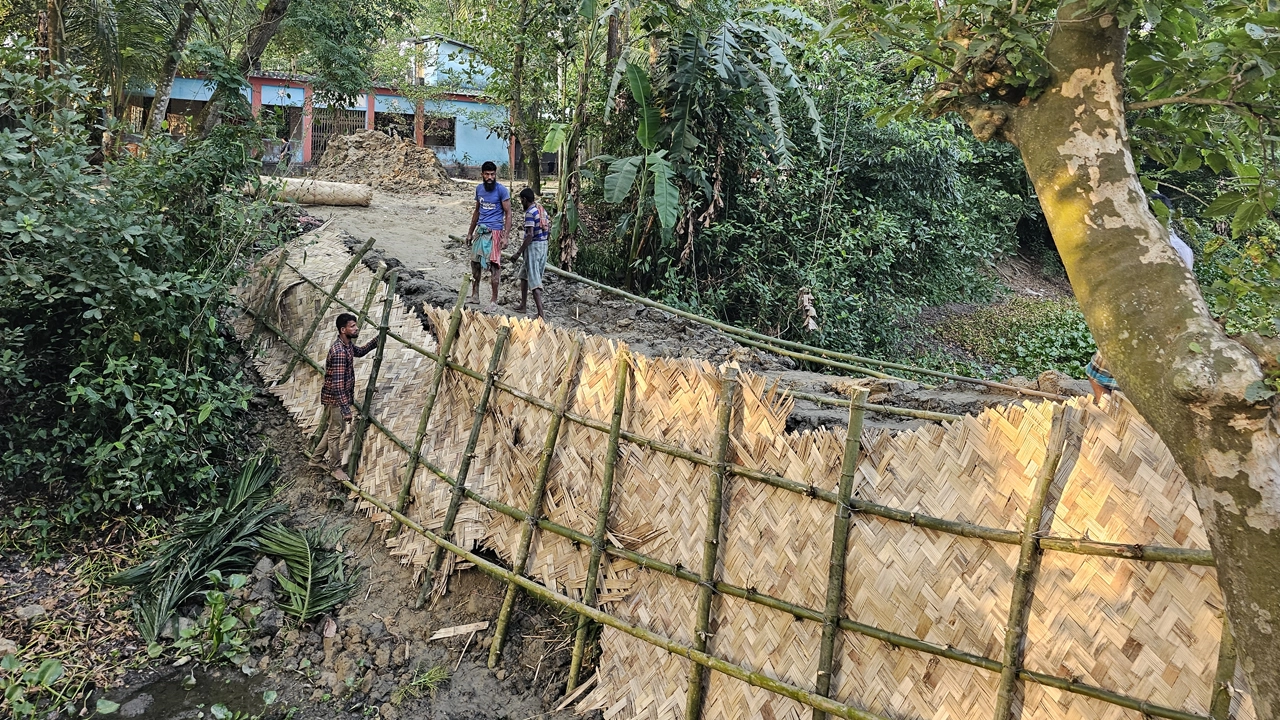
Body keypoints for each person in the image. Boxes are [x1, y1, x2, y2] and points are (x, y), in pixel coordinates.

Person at [1086, 193, 1194, 401]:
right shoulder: (1183, 248)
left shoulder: (1148, 246)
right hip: (1175, 323)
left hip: (1141, 320)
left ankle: (1108, 419)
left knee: (1097, 374)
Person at [314, 312, 377, 481]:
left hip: (339, 398)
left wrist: (376, 342)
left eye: (355, 325)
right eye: (352, 326)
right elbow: (337, 385)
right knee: (335, 433)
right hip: (335, 399)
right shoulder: (339, 352)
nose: (356, 328)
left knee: (334, 430)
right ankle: (335, 468)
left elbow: (360, 351)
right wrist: (345, 408)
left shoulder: (347, 345)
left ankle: (316, 459)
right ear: (343, 329)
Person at [465, 161, 512, 311]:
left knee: (494, 266)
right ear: (482, 175)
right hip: (481, 230)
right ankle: (475, 295)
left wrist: (506, 236)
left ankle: (493, 300)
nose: (490, 177)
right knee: (475, 263)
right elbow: (477, 211)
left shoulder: (502, 191)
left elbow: (509, 213)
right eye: (487, 174)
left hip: (495, 232)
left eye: (492, 174)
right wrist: (470, 232)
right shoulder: (479, 189)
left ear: (495, 174)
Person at [512, 187, 550, 320]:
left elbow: (529, 235)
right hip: (543, 245)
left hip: (533, 247)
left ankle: (541, 314)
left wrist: (518, 253)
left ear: (524, 199)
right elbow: (548, 230)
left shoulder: (530, 212)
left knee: (534, 281)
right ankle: (523, 305)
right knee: (524, 275)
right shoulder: (541, 210)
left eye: (521, 200)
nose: (521, 203)